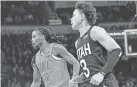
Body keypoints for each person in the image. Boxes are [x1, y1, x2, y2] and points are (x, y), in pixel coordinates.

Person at [70, 1, 122, 87]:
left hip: (105, 82)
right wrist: (79, 78)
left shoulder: (94, 31)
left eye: (73, 15)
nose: (71, 19)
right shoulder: (77, 43)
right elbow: (90, 68)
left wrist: (101, 74)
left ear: (82, 16)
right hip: (90, 84)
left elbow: (117, 51)